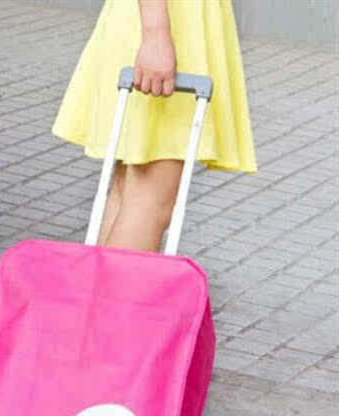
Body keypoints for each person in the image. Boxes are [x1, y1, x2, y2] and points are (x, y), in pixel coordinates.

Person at [53, 0, 257, 252]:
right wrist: (156, 33)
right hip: (171, 27)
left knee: (133, 194)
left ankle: (102, 279)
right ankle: (120, 280)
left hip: (165, 25)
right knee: (150, 201)